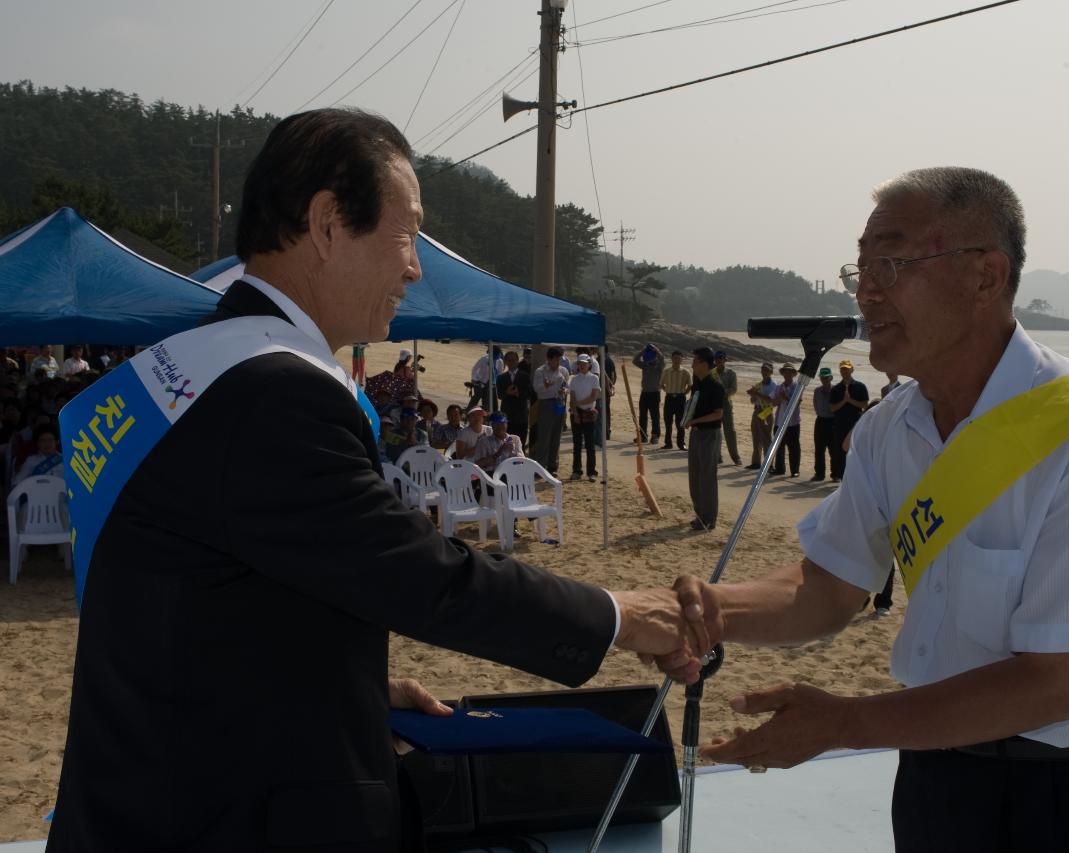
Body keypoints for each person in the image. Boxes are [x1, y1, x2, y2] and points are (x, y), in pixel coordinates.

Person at [47, 108, 704, 853]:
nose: (415, 265)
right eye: (408, 232)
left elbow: (197, 606)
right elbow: (423, 576)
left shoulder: (187, 370)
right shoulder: (274, 393)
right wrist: (616, 615)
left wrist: (344, 686)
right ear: (328, 223)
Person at [659, 166, 1069, 853]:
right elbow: (827, 587)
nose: (866, 289)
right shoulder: (891, 428)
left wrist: (841, 723)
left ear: (985, 277)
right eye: (859, 267)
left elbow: (1052, 686)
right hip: (940, 779)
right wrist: (709, 611)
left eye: (890, 261)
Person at [684, 347, 725, 531]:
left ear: (704, 364)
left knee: (707, 478)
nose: (692, 364)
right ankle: (699, 515)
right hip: (695, 432)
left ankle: (709, 518)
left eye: (695, 361)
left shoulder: (716, 386)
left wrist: (695, 420)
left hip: (709, 434)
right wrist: (688, 419)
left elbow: (718, 414)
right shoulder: (697, 383)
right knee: (694, 476)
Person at [829, 359, 869, 481]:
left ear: (852, 369)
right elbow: (832, 408)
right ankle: (837, 475)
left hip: (855, 423)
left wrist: (850, 400)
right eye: (842, 369)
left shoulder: (860, 386)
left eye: (847, 369)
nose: (845, 371)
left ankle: (853, 475)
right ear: (840, 371)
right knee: (838, 449)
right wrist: (844, 401)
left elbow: (864, 405)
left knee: (854, 449)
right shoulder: (836, 389)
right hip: (840, 423)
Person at [531, 346, 569, 474]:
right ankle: (540, 467)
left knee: (556, 436)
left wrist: (564, 390)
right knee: (544, 437)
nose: (558, 362)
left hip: (559, 403)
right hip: (546, 404)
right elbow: (537, 388)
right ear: (549, 359)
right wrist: (546, 385)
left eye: (560, 359)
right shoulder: (540, 371)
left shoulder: (563, 371)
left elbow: (566, 386)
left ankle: (553, 467)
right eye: (556, 359)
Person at [567, 353, 601, 482]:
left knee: (590, 443)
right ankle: (576, 470)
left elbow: (593, 396)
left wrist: (578, 404)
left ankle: (591, 472)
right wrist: (575, 412)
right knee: (576, 444)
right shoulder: (574, 379)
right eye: (580, 363)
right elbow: (572, 398)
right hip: (577, 413)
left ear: (589, 364)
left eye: (584, 363)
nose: (582, 366)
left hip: (588, 412)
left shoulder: (594, 378)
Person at [770, 364, 802, 477]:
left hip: (792, 423)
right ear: (783, 373)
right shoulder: (779, 387)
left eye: (790, 372)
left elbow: (796, 403)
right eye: (785, 371)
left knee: (793, 447)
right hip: (779, 421)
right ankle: (780, 469)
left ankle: (795, 470)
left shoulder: (797, 387)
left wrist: (785, 397)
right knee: (779, 446)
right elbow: (773, 403)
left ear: (793, 374)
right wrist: (780, 398)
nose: (787, 374)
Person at [495, 350, 533, 446]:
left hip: (521, 415)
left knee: (521, 443)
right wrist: (506, 393)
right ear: (506, 362)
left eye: (513, 360)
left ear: (517, 360)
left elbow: (529, 393)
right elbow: (499, 394)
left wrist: (518, 393)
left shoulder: (525, 376)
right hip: (507, 415)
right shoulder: (501, 378)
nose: (511, 362)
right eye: (509, 360)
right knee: (506, 443)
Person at [745, 362, 778, 470]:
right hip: (757, 410)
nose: (764, 372)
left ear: (771, 372)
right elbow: (753, 401)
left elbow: (770, 400)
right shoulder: (759, 384)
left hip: (767, 412)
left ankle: (769, 464)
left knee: (766, 438)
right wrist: (753, 396)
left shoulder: (774, 385)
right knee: (756, 437)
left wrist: (756, 394)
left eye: (767, 370)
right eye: (763, 370)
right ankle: (756, 462)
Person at [712, 351, 742, 466]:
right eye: (717, 358)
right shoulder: (711, 373)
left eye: (721, 358)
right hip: (714, 405)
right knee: (715, 431)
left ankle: (735, 457)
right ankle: (717, 456)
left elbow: (733, 389)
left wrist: (722, 392)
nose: (719, 360)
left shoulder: (731, 373)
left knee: (730, 431)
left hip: (726, 404)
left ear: (725, 360)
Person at [471, 412, 523, 476]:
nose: (500, 427)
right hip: (491, 475)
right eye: (496, 424)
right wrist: (497, 454)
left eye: (502, 423)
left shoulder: (515, 439)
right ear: (492, 425)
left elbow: (521, 462)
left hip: (511, 473)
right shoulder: (484, 441)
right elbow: (477, 465)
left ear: (506, 424)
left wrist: (511, 453)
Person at [632, 343, 664, 444]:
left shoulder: (659, 367)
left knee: (655, 416)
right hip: (644, 393)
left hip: (655, 393)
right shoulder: (645, 365)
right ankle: (643, 436)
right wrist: (643, 351)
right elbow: (635, 360)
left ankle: (655, 436)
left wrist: (656, 350)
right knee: (642, 416)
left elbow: (662, 358)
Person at [660, 350, 692, 450]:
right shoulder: (666, 371)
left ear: (682, 359)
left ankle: (681, 444)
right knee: (668, 422)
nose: (676, 360)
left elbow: (690, 385)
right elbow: (661, 384)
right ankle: (668, 443)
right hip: (669, 398)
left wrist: (684, 393)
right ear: (672, 359)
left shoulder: (686, 372)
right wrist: (668, 391)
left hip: (680, 399)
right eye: (675, 358)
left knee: (680, 423)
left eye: (679, 358)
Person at [810, 367, 838, 482]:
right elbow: (815, 404)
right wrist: (820, 413)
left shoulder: (836, 390)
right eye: (822, 378)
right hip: (820, 420)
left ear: (831, 378)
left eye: (826, 378)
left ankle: (835, 474)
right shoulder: (817, 391)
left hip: (832, 421)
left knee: (833, 449)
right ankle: (819, 474)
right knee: (819, 449)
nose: (824, 380)